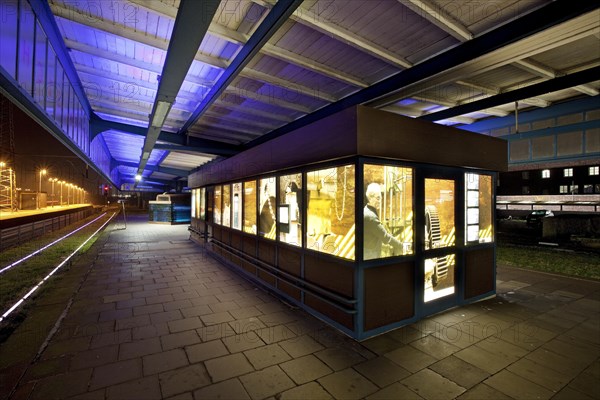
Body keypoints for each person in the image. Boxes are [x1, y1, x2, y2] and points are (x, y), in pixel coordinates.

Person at [364, 182, 402, 260]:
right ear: (370, 198)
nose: (380, 201)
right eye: (378, 198)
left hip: (368, 252)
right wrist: (401, 245)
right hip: (370, 255)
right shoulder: (371, 217)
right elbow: (385, 237)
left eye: (380, 198)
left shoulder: (366, 210)